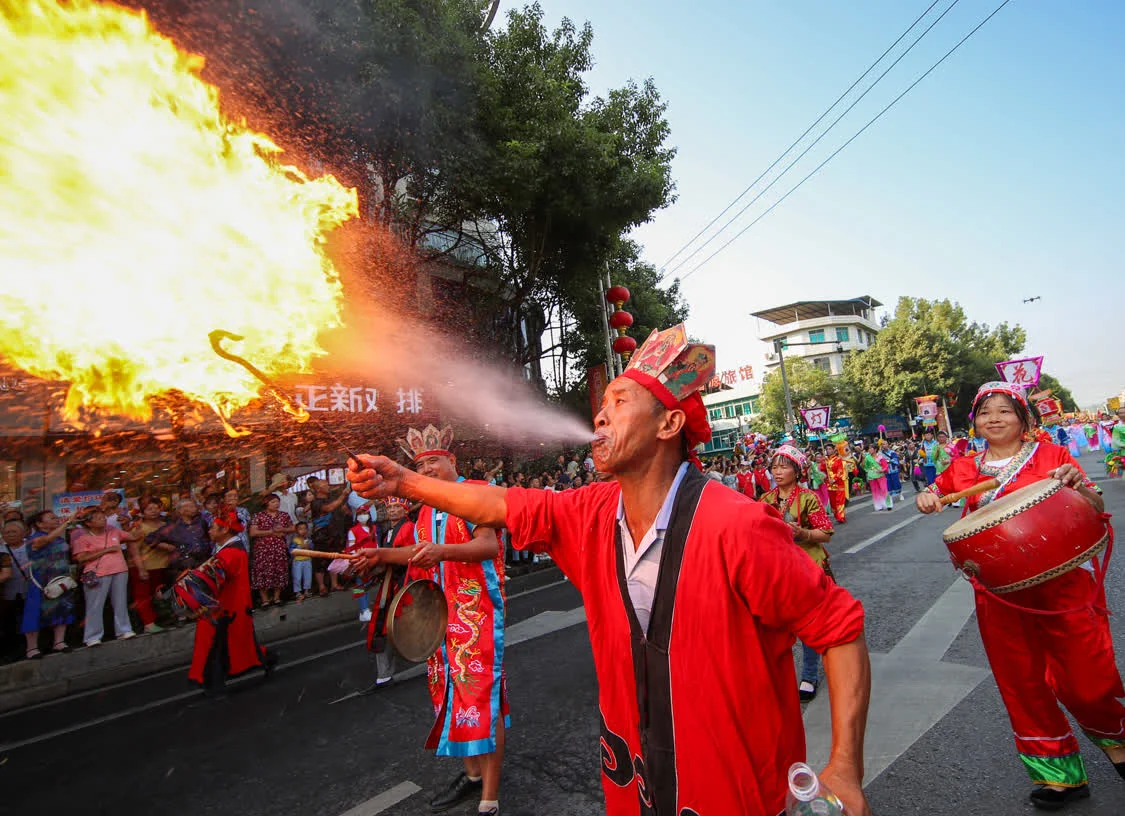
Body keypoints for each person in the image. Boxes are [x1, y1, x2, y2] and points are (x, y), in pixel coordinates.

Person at [348, 324, 872, 816]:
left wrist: (845, 768)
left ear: (669, 424)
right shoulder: (589, 515)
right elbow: (501, 505)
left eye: (620, 402)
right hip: (634, 785)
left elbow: (840, 631)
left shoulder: (739, 525)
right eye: (601, 406)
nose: (599, 417)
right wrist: (403, 484)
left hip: (735, 791)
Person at [917, 381, 1123, 810]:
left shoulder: (1053, 457)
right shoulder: (963, 467)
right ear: (974, 422)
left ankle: (1116, 740)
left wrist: (1078, 485)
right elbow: (937, 491)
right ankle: (1059, 776)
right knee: (1021, 680)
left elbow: (1093, 500)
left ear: (1024, 418)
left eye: (1005, 410)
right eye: (985, 411)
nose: (994, 418)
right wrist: (928, 496)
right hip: (1000, 590)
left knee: (1089, 677)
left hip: (1064, 582)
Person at [354, 425, 508, 816]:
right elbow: (418, 553)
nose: (428, 469)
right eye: (420, 464)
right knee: (450, 696)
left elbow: (488, 544)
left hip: (476, 614)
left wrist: (441, 552)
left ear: (452, 461)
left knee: (481, 697)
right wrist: (379, 554)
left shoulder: (474, 492)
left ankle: (490, 796)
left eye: (434, 461)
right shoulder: (424, 509)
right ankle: (471, 775)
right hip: (439, 616)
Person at [759, 445, 836, 702]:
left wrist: (802, 533)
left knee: (808, 624)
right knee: (774, 625)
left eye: (784, 466)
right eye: (774, 466)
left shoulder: (808, 498)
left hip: (807, 567)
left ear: (797, 470)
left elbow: (825, 534)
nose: (777, 472)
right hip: (775, 569)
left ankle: (809, 675)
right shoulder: (765, 500)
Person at [187, 512, 272, 696]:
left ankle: (213, 682)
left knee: (217, 645)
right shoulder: (231, 550)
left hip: (225, 606)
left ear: (225, 529)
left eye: (212, 528)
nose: (209, 531)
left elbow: (213, 579)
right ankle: (265, 659)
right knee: (235, 643)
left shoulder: (230, 553)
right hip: (230, 604)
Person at [355, 496, 416, 688]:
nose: (392, 511)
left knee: (410, 623)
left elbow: (410, 555)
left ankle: (438, 659)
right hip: (391, 582)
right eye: (390, 508)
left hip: (405, 581)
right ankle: (384, 674)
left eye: (397, 507)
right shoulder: (388, 531)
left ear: (405, 510)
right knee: (384, 625)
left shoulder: (408, 528)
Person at [70, 508, 143, 647]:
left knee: (120, 602)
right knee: (95, 605)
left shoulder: (114, 532)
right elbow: (81, 558)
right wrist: (106, 550)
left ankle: (124, 630)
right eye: (97, 518)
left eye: (103, 517)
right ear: (88, 523)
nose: (102, 519)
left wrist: (134, 523)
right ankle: (92, 636)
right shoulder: (82, 539)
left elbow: (134, 537)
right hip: (97, 573)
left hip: (120, 570)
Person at [21, 510, 77, 658]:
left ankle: (59, 642)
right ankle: (31, 648)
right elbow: (46, 540)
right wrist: (67, 522)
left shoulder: (59, 539)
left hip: (60, 578)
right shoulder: (35, 538)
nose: (56, 519)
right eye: (51, 518)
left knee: (62, 608)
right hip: (41, 580)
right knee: (35, 612)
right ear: (39, 524)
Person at [131, 498, 176, 634]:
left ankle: (164, 619)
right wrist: (140, 568)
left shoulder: (167, 525)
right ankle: (148, 623)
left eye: (156, 508)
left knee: (162, 595)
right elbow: (134, 551)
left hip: (165, 566)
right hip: (147, 567)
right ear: (142, 512)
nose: (154, 511)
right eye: (149, 509)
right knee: (144, 596)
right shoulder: (139, 528)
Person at [308, 476, 351, 596]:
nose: (328, 486)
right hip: (321, 535)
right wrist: (342, 496)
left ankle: (334, 584)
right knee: (320, 561)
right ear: (318, 489)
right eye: (325, 485)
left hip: (336, 533)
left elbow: (341, 509)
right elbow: (329, 508)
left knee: (335, 558)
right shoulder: (315, 502)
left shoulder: (332, 498)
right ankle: (321, 586)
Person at [249, 493, 294, 607]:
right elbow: (253, 532)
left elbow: (293, 528)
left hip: (279, 547)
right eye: (273, 502)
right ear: (266, 503)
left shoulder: (284, 515)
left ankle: (276, 597)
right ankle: (265, 600)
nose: (276, 504)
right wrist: (271, 531)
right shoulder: (258, 516)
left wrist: (283, 529)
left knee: (279, 570)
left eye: (277, 501)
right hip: (263, 549)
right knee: (262, 571)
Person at [345, 504, 377, 622]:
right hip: (360, 561)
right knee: (359, 586)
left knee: (367, 585)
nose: (363, 516)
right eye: (360, 514)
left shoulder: (373, 528)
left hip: (372, 559)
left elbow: (376, 544)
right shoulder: (353, 530)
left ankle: (366, 609)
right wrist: (356, 561)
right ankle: (363, 609)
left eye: (365, 513)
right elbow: (352, 548)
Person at [861, 444, 891, 511]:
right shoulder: (867, 457)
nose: (869, 450)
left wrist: (882, 470)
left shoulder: (880, 457)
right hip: (872, 476)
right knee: (875, 491)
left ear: (875, 449)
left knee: (884, 489)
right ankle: (878, 505)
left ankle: (888, 504)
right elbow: (864, 466)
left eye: (871, 448)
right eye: (869, 448)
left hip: (880, 475)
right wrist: (863, 458)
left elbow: (885, 466)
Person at [824, 445, 849, 524]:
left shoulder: (838, 459)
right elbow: (822, 470)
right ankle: (837, 516)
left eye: (830, 449)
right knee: (833, 503)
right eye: (827, 449)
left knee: (840, 501)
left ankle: (841, 517)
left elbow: (840, 471)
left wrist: (834, 479)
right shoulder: (825, 460)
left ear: (834, 450)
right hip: (829, 485)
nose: (828, 450)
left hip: (838, 484)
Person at [289, 521, 313, 601]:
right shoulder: (295, 540)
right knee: (297, 577)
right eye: (300, 529)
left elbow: (312, 548)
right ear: (296, 531)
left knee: (308, 576)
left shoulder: (309, 540)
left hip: (307, 560)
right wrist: (301, 547)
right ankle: (298, 592)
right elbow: (291, 550)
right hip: (298, 561)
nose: (303, 531)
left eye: (304, 529)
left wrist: (310, 546)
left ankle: (307, 591)